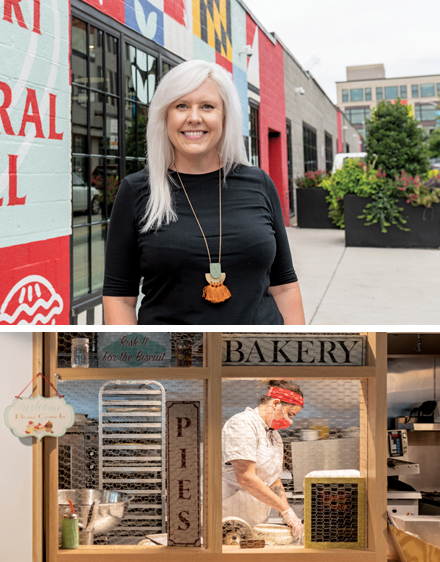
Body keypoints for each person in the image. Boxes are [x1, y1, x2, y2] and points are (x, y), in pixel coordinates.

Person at [102, 60, 305, 325]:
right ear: (165, 116)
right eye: (181, 105)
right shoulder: (136, 191)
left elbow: (285, 286)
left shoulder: (260, 184)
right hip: (171, 360)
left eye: (207, 106)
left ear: (224, 116)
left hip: (258, 356)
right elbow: (119, 297)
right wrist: (137, 361)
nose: (194, 117)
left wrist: (295, 353)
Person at [222, 380, 305, 543]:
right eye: (289, 414)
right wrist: (286, 510)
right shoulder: (242, 424)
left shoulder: (275, 436)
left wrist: (287, 515)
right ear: (276, 403)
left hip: (258, 518)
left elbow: (274, 480)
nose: (289, 421)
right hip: (230, 517)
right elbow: (246, 477)